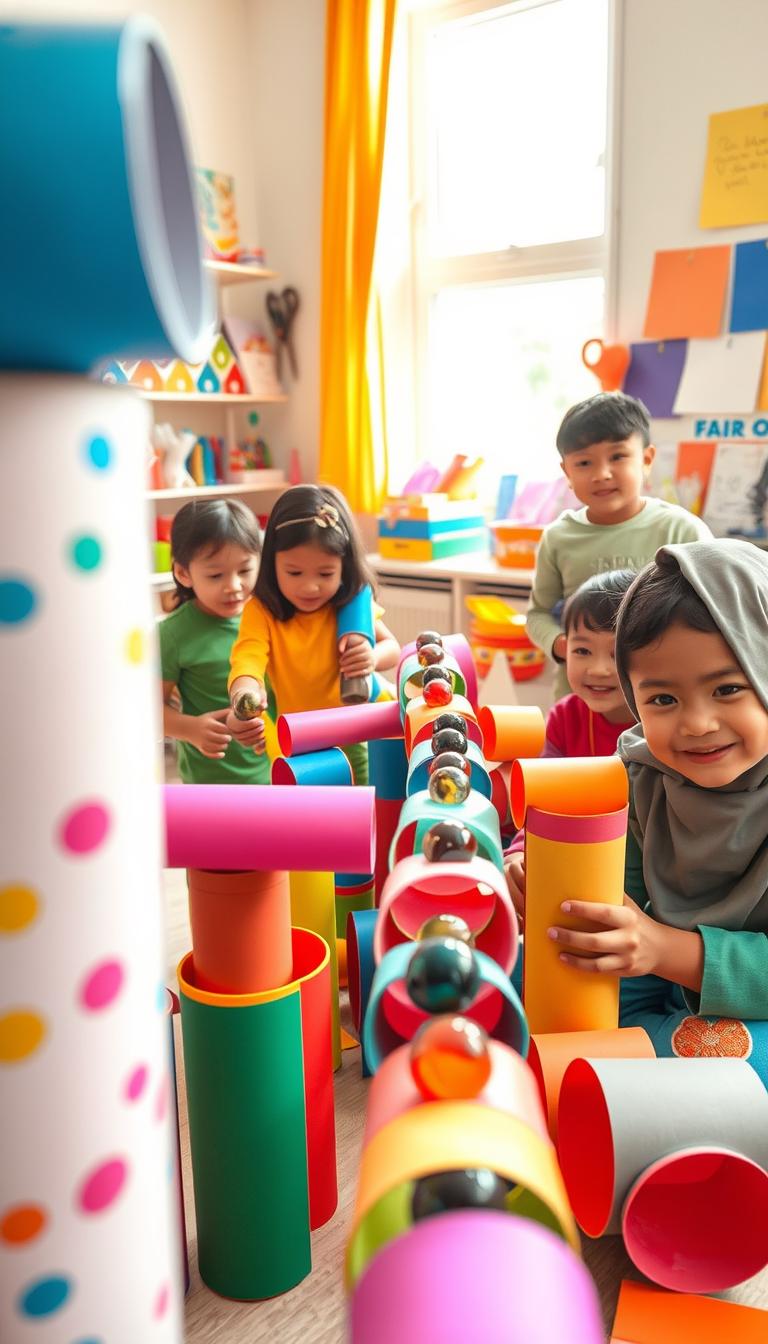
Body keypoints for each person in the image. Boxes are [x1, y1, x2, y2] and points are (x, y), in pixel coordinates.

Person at [548, 539, 768, 1082]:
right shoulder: (641, 774)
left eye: (728, 688)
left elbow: (651, 945)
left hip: (754, 1007)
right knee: (550, 979)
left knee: (735, 1062)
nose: (696, 724)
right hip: (662, 986)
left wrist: (665, 950)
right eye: (662, 700)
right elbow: (616, 909)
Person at [526, 392, 712, 699]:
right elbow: (537, 615)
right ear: (567, 473)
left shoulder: (682, 530)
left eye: (618, 456)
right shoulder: (558, 537)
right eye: (584, 462)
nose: (602, 474)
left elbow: (712, 613)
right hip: (583, 699)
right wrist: (566, 646)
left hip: (663, 697)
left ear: (647, 459)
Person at [227, 484, 400, 783]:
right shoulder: (261, 612)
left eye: (325, 574)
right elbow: (247, 660)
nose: (310, 587)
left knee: (361, 804)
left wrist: (372, 656)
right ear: (272, 564)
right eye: (294, 573)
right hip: (298, 734)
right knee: (309, 808)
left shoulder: (352, 602)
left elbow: (392, 647)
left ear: (344, 568)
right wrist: (245, 694)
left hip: (355, 726)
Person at [505, 569, 636, 909]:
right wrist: (519, 851)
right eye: (582, 651)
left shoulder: (658, 724)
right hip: (573, 864)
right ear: (564, 648)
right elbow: (542, 798)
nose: (598, 670)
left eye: (616, 653)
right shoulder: (566, 716)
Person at [159, 498, 269, 784]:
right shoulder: (173, 634)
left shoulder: (271, 616)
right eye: (215, 575)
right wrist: (190, 729)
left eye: (245, 570)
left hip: (279, 768)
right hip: (211, 781)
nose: (233, 585)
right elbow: (145, 708)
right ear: (183, 573)